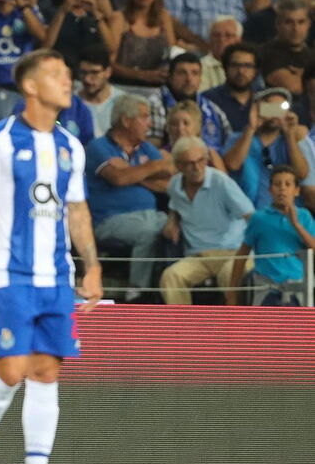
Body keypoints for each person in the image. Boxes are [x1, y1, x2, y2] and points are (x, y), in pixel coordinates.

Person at [0, 48, 102, 464]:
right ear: (31, 86)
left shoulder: (70, 146)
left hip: (56, 276)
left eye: (68, 73)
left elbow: (76, 210)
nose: (68, 80)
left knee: (45, 369)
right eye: (57, 74)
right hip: (9, 270)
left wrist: (92, 265)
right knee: (12, 368)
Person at [86, 93, 173, 301]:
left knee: (179, 226)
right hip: (110, 220)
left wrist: (133, 173)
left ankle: (173, 288)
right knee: (149, 232)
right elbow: (117, 178)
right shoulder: (98, 146)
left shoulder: (146, 148)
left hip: (152, 214)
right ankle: (137, 293)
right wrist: (152, 167)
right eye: (143, 117)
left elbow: (167, 181)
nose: (149, 124)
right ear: (126, 120)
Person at [160, 135, 254, 305]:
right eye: (190, 163)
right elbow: (175, 207)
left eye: (201, 160)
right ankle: (182, 330)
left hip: (233, 253)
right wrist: (171, 222)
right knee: (171, 277)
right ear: (178, 166)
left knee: (230, 275)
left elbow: (251, 216)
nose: (197, 167)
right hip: (198, 255)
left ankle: (234, 329)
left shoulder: (221, 182)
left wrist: (256, 250)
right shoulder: (174, 185)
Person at [227, 165, 315, 306]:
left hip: (299, 286)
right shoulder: (259, 218)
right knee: (265, 327)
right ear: (269, 190)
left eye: (288, 184)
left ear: (296, 191)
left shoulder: (304, 216)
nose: (282, 188)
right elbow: (242, 254)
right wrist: (232, 292)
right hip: (266, 287)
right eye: (277, 184)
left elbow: (313, 247)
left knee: (301, 327)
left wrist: (296, 224)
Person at [223, 87, 315, 210]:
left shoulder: (291, 140)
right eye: (270, 108)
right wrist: (251, 128)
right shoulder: (237, 138)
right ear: (258, 109)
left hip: (286, 215)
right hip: (248, 215)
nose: (274, 114)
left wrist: (290, 135)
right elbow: (232, 165)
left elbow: (302, 174)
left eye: (279, 109)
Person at [147, 52, 232, 152]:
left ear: (200, 78)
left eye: (195, 73)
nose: (189, 79)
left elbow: (229, 145)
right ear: (170, 77)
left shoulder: (212, 108)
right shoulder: (155, 103)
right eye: (182, 73)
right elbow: (152, 149)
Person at [42, 0, 115, 74]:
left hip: (91, 76)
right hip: (61, 73)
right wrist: (62, 12)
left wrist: (95, 13)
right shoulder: (52, 12)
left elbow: (111, 49)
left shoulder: (99, 15)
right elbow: (45, 47)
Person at [108, 0, 175, 87]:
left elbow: (172, 53)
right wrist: (143, 75)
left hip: (158, 87)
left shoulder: (164, 17)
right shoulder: (119, 18)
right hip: (124, 86)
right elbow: (109, 63)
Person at [257, 0, 314, 98]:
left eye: (301, 22)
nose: (295, 28)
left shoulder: (311, 54)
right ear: (277, 24)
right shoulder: (266, 53)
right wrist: (307, 76)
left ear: (308, 24)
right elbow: (294, 87)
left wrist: (301, 75)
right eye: (289, 22)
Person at [204, 42, 260, 133]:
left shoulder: (265, 99)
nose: (241, 71)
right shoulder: (208, 100)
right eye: (235, 65)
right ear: (225, 68)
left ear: (255, 71)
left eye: (247, 66)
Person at [163, 100, 227, 172]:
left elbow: (224, 181)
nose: (180, 128)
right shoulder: (162, 155)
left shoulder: (210, 154)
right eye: (174, 124)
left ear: (197, 127)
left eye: (186, 123)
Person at [76, 44, 124, 139]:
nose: (87, 79)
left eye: (94, 73)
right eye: (83, 73)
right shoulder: (70, 102)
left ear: (108, 72)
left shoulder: (122, 102)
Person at [199, 17, 242, 93]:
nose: (222, 40)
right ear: (209, 39)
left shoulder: (247, 66)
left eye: (228, 36)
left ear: (238, 41)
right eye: (216, 35)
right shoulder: (200, 66)